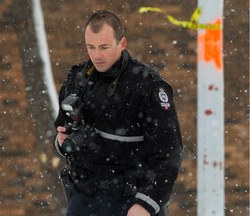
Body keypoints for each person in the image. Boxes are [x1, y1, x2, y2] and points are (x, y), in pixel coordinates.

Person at [53, 10, 183, 216]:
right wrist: (62, 141)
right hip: (84, 197)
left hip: (132, 200)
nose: (96, 55)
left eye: (104, 47)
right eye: (91, 47)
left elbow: (169, 154)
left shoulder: (147, 86)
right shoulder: (76, 79)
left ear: (122, 43)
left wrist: (146, 203)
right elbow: (64, 132)